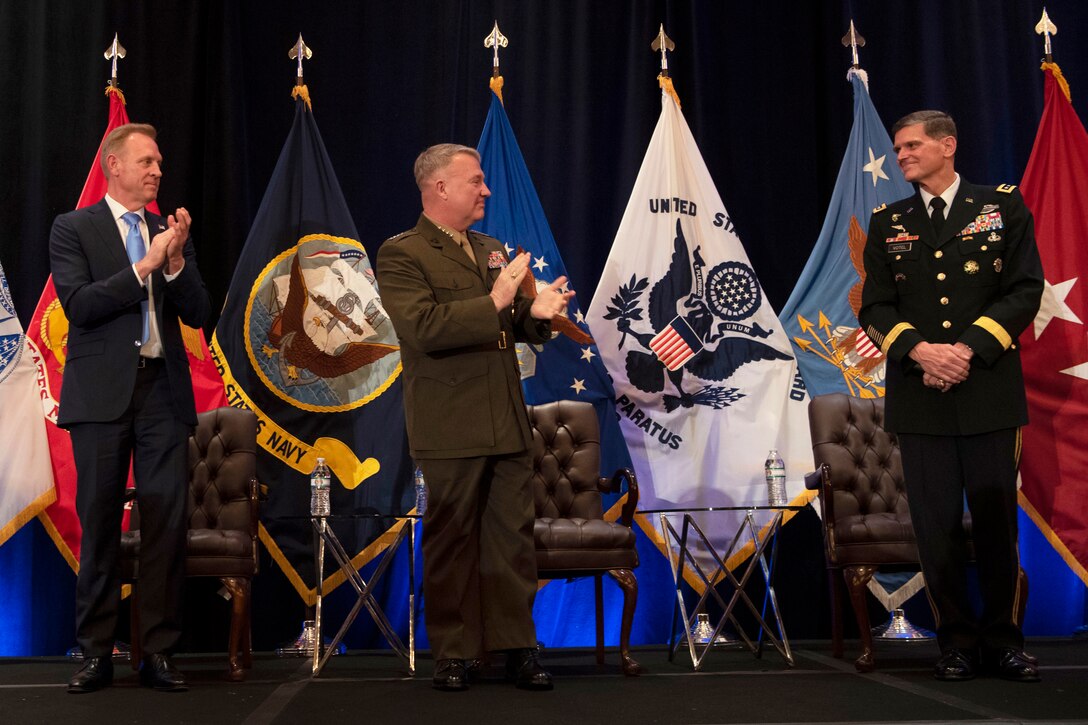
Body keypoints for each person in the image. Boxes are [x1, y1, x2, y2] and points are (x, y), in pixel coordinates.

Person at [376, 143, 573, 691]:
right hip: (449, 420)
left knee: (511, 539)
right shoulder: (402, 254)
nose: (485, 190)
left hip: (505, 416)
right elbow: (423, 328)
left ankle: (517, 647)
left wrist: (538, 313)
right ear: (440, 188)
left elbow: (514, 327)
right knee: (452, 539)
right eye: (475, 181)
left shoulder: (490, 248)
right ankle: (454, 652)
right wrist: (496, 301)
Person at [859, 110, 1043, 683]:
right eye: (897, 147)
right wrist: (920, 352)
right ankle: (956, 643)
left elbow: (1023, 289)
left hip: (987, 390)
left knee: (995, 525)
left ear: (948, 146)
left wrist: (964, 351)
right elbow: (875, 308)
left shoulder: (1001, 207)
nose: (902, 155)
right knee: (935, 529)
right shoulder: (889, 222)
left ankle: (1004, 642)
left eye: (912, 145)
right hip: (921, 397)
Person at [51, 123, 211, 693]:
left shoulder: (165, 233)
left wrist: (174, 262)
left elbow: (197, 312)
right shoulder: (74, 228)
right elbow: (80, 305)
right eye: (146, 161)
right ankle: (95, 652)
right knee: (98, 523)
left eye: (160, 163)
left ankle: (159, 652)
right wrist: (145, 267)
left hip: (162, 396)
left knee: (166, 523)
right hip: (100, 398)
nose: (157, 171)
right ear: (113, 166)